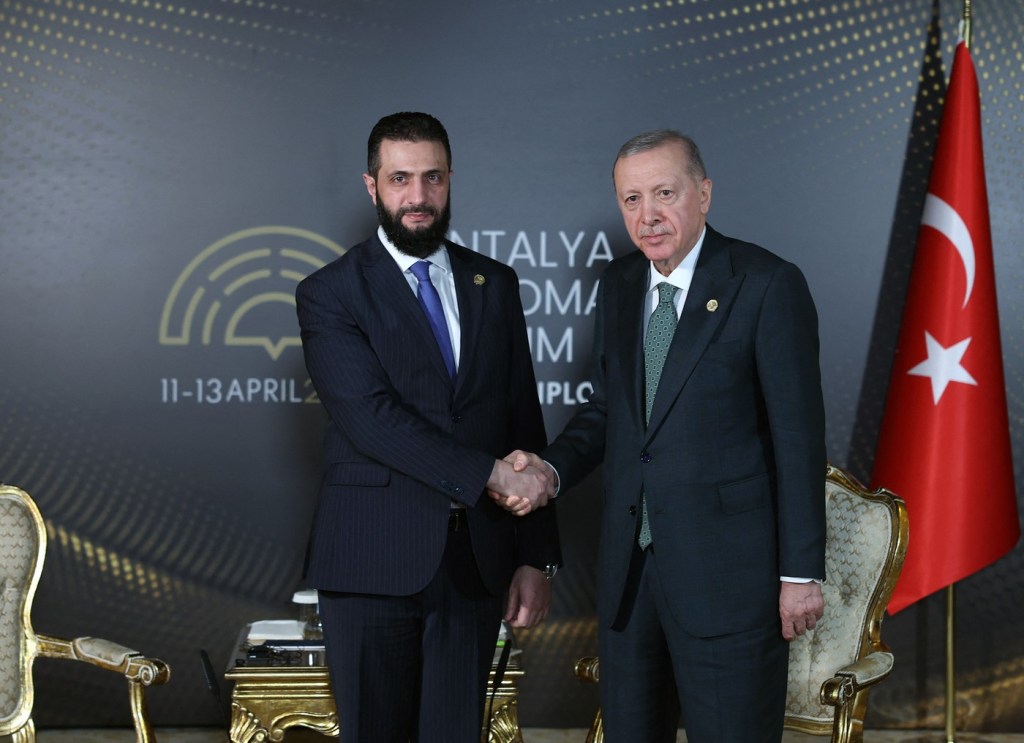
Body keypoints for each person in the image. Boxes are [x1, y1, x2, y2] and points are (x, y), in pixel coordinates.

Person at [494, 130, 826, 743]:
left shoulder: (765, 283)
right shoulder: (620, 284)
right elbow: (607, 413)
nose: (647, 215)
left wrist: (801, 572)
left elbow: (798, 439)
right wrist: (548, 472)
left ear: (704, 193)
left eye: (664, 194)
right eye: (631, 199)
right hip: (630, 580)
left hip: (729, 582)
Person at [296, 111, 560, 743]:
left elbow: (522, 418)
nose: (418, 196)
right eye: (400, 179)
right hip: (369, 563)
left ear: (449, 179)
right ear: (372, 186)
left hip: (474, 566)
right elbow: (371, 420)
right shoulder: (330, 292)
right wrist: (490, 474)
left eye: (432, 178)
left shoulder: (495, 283)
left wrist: (536, 556)